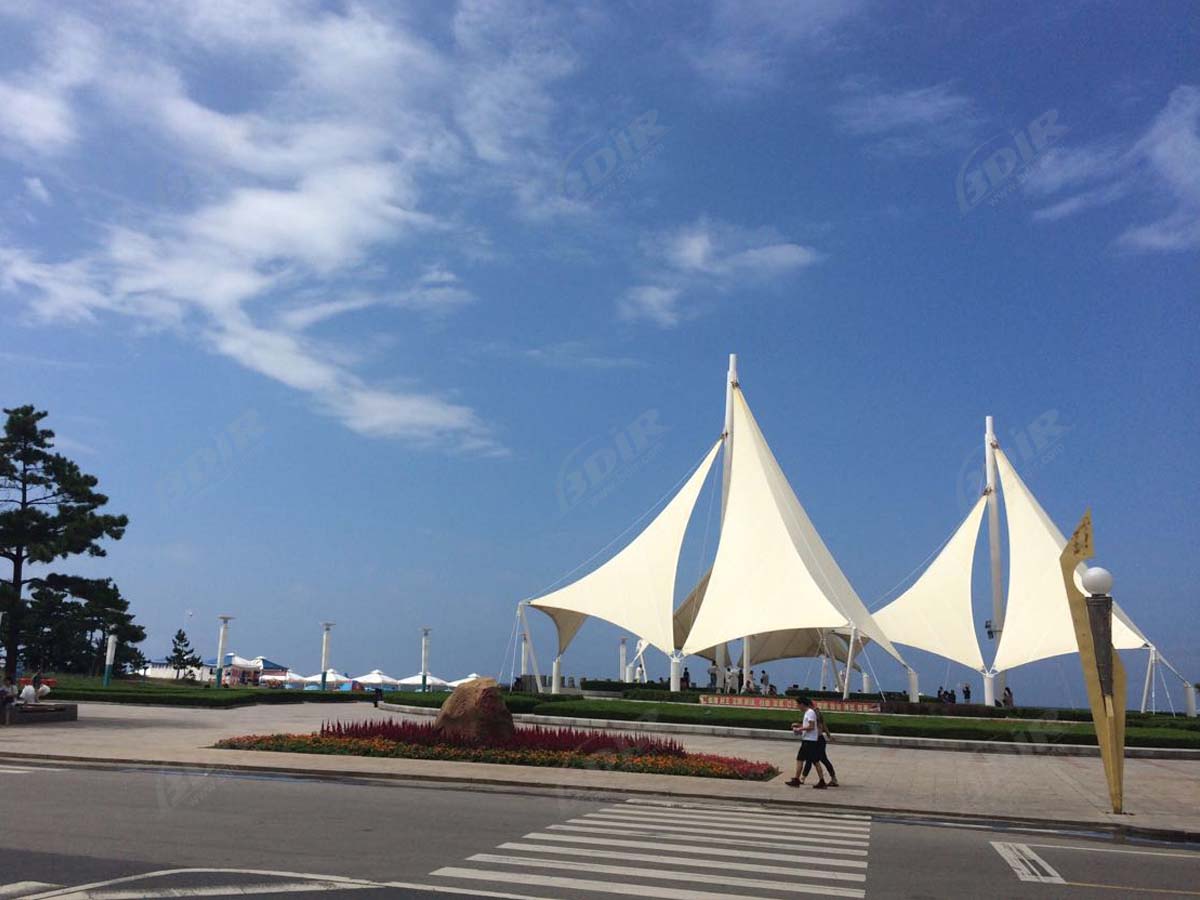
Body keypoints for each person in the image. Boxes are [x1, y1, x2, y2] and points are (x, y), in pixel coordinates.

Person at [786, 697, 831, 788]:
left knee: (812, 761)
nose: (797, 707)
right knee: (803, 760)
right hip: (807, 740)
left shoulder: (810, 713)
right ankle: (797, 779)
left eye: (798, 705)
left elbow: (811, 727)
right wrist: (800, 728)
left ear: (802, 704)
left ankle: (820, 781)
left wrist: (800, 729)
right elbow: (809, 726)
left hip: (809, 741)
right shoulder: (808, 713)